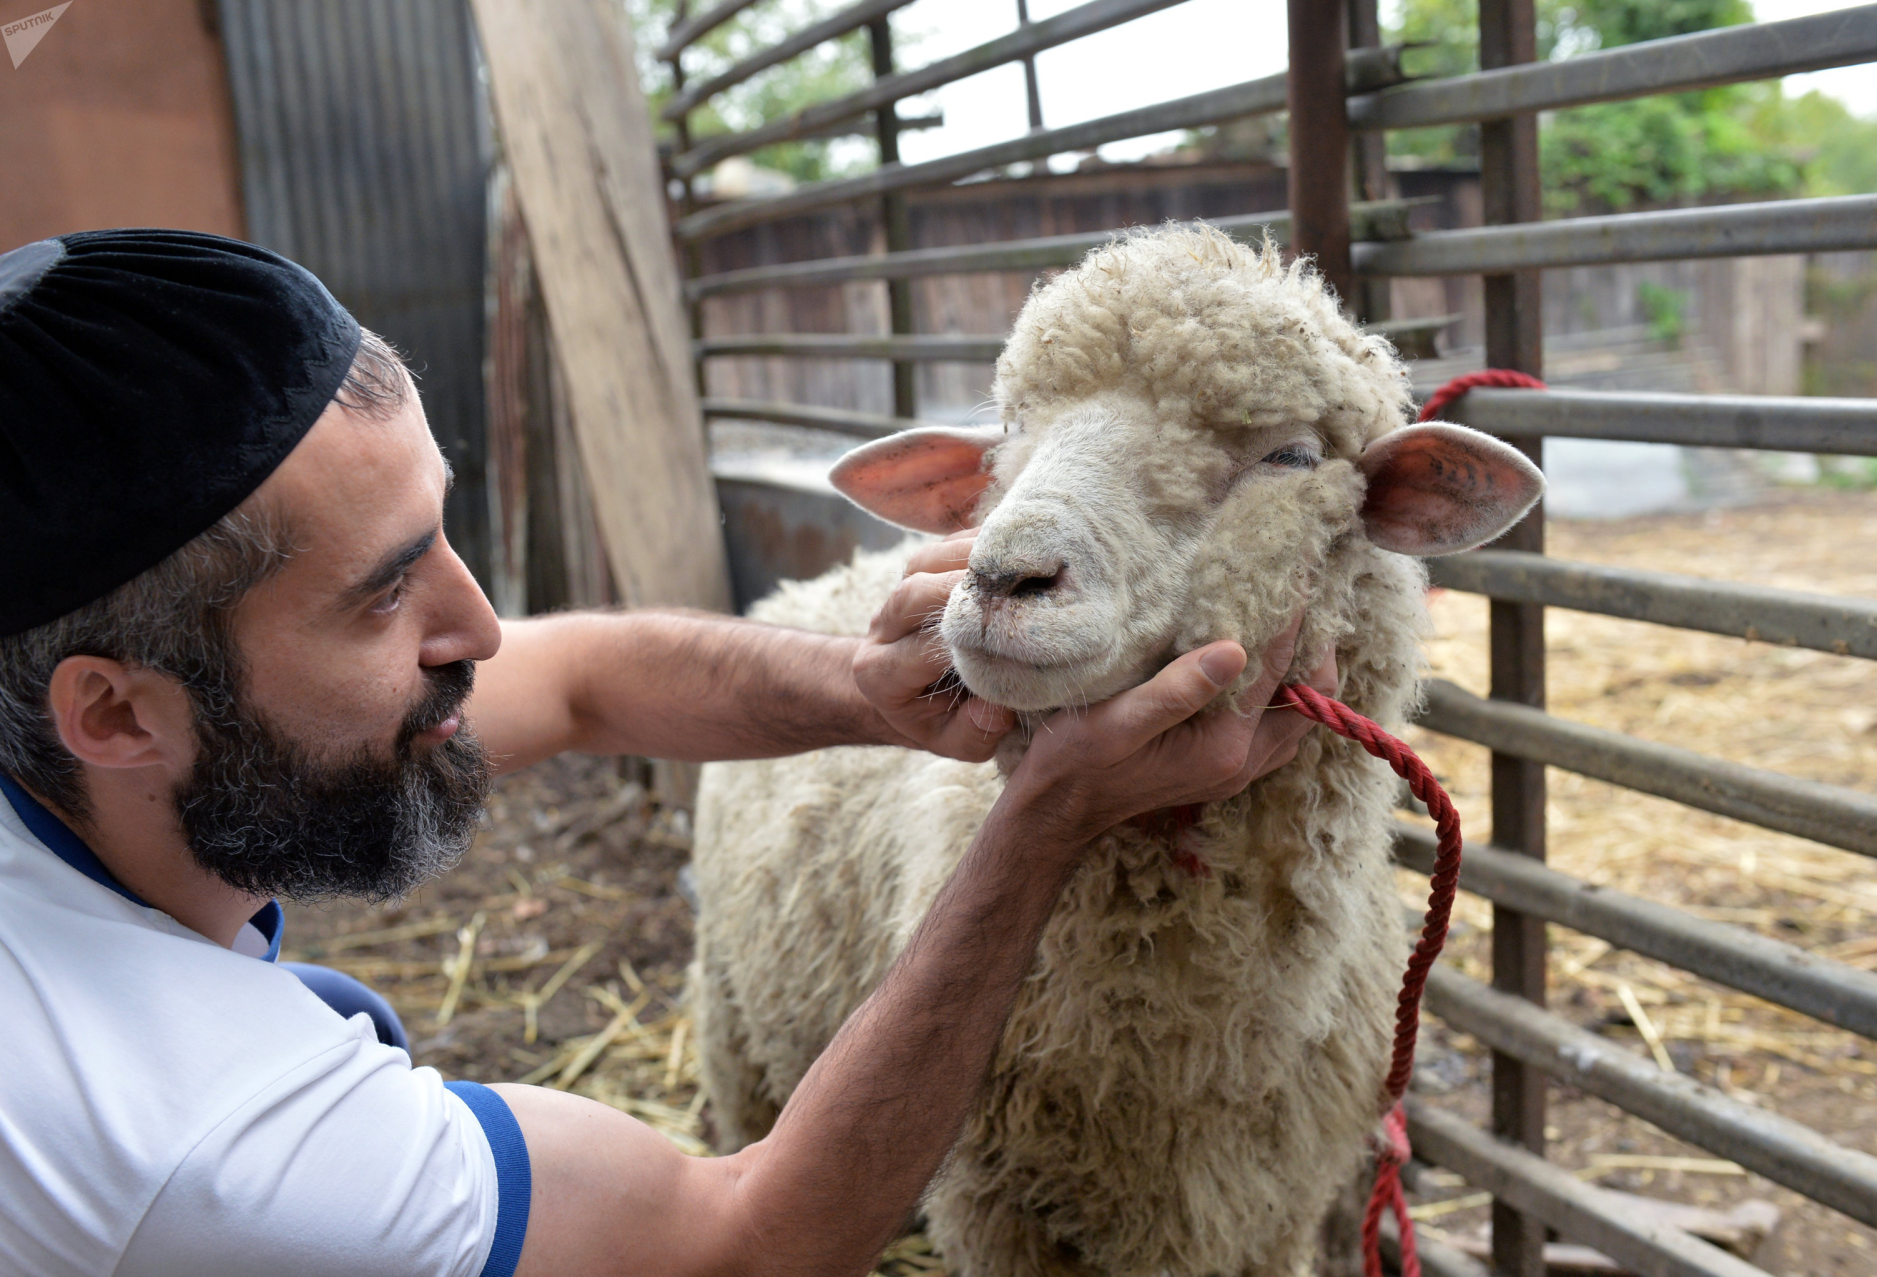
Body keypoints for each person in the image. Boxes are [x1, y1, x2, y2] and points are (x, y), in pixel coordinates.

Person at [0, 229, 1335, 1277]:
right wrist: (1041, 823)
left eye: (444, 534)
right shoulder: (210, 1153)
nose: (479, 626)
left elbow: (575, 682)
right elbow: (743, 1243)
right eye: (382, 595)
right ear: (113, 715)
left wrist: (871, 690)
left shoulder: (71, 742)